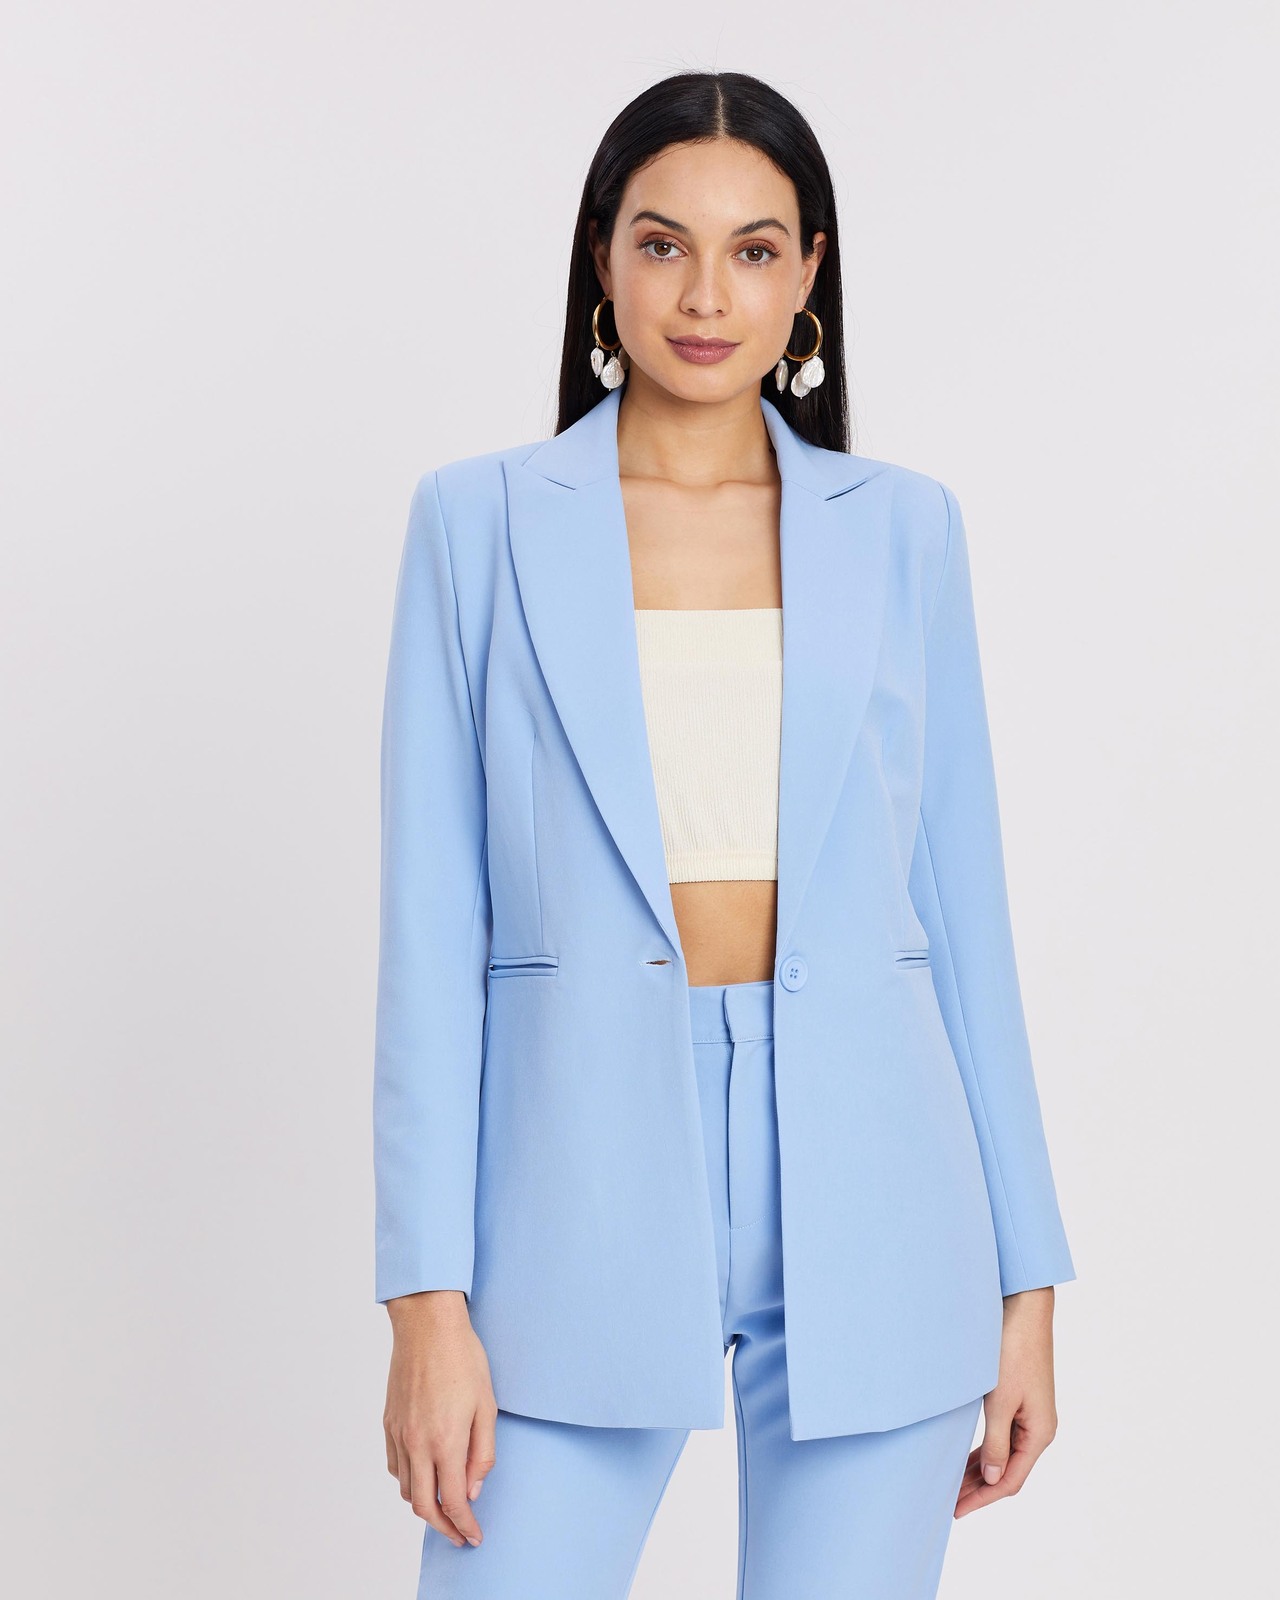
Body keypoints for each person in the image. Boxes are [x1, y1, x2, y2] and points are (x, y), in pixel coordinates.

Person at [373, 70, 1077, 1600]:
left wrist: (1029, 1275)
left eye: (755, 251)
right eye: (662, 245)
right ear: (602, 260)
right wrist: (425, 1300)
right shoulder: (478, 524)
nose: (707, 297)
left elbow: (964, 918)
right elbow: (430, 935)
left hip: (883, 1184)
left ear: (810, 274)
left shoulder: (905, 529)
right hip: (569, 1186)